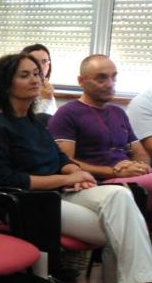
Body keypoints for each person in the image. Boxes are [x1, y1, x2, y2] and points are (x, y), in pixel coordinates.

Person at [0, 53, 152, 283]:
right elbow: (6, 179)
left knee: (121, 197)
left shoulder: (33, 120)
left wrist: (76, 172)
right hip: (27, 203)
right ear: (6, 84)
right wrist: (63, 180)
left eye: (37, 74)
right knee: (120, 231)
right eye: (25, 75)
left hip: (60, 194)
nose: (36, 80)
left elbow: (59, 159)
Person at [49, 54, 152, 197]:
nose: (110, 83)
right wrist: (114, 171)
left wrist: (139, 166)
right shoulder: (67, 113)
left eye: (113, 77)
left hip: (127, 178)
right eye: (101, 78)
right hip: (96, 183)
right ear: (81, 81)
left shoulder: (118, 112)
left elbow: (140, 152)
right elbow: (65, 162)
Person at [22, 44, 58, 116]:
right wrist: (45, 100)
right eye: (35, 61)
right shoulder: (20, 91)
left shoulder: (47, 90)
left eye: (44, 61)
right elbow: (32, 123)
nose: (40, 66)